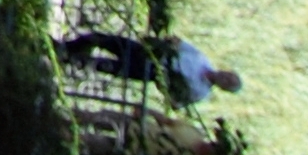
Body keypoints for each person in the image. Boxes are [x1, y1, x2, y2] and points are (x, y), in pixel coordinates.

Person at [60, 33, 244, 106]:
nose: (224, 78)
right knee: (104, 40)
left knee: (103, 65)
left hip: (151, 73)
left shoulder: (200, 92)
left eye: (227, 83)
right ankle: (65, 47)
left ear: (223, 89)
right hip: (149, 54)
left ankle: (67, 59)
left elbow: (176, 103)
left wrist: (168, 87)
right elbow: (179, 43)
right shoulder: (201, 59)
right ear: (227, 70)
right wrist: (167, 42)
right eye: (228, 76)